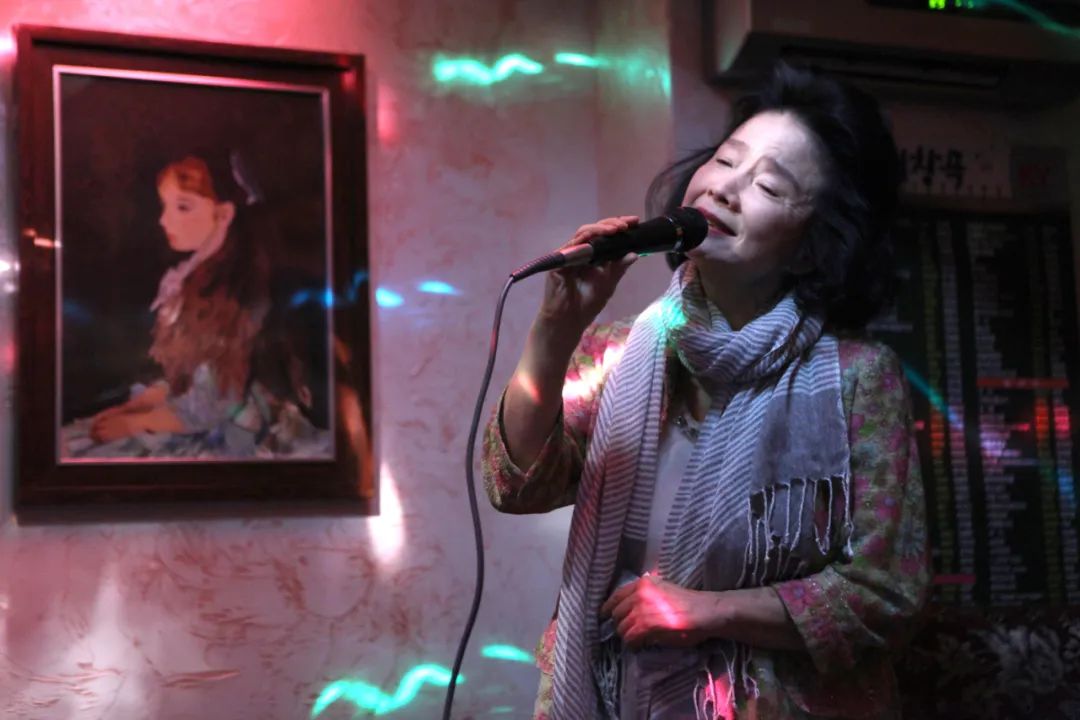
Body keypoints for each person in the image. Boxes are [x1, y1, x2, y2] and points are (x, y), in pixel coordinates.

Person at [482, 63, 929, 719]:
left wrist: (709, 612)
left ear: (812, 248)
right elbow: (515, 484)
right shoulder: (617, 352)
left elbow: (887, 593)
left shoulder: (859, 378)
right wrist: (555, 329)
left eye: (768, 186)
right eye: (725, 160)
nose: (725, 188)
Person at [65, 151, 328, 459]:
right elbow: (187, 383)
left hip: (231, 434)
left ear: (224, 214)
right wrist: (134, 407)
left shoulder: (233, 294)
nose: (164, 220)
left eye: (182, 207)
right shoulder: (191, 280)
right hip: (191, 417)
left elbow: (212, 406)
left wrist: (135, 423)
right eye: (164, 206)